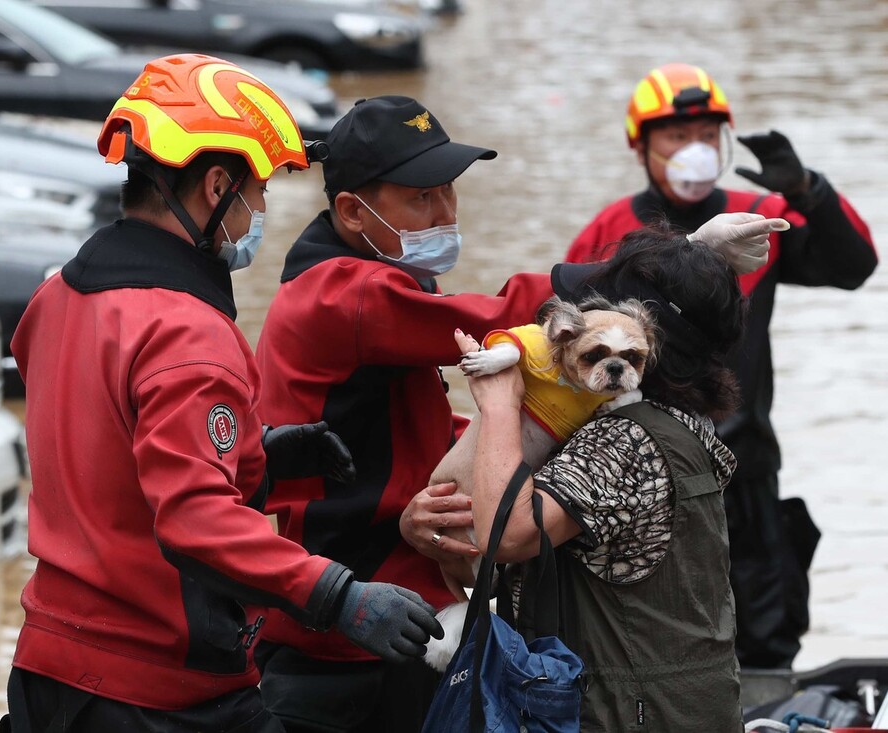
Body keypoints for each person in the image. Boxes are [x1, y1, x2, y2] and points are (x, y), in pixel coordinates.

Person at [252, 94, 791, 733]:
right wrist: (678, 264)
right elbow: (505, 317)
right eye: (422, 198)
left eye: (450, 191)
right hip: (352, 608)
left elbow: (417, 423)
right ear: (350, 210)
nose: (447, 212)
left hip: (400, 588)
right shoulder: (346, 293)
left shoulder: (375, 274)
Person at [0, 56, 444, 733]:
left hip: (46, 670)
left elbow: (111, 450)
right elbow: (194, 520)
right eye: (257, 189)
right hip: (155, 687)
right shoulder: (186, 329)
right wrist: (338, 593)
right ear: (215, 186)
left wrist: (263, 453)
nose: (261, 209)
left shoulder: (58, 295)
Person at [565, 62, 879, 669]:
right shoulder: (610, 230)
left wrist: (812, 190)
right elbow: (569, 348)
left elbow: (854, 267)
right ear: (642, 147)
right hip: (641, 475)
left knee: (764, 635)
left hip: (745, 464)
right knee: (652, 642)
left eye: (708, 135)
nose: (695, 150)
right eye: (677, 137)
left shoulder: (759, 217)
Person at [457, 225, 747, 731]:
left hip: (628, 713)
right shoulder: (677, 421)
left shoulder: (624, 441)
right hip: (687, 703)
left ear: (649, 345)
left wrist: (501, 405)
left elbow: (506, 534)